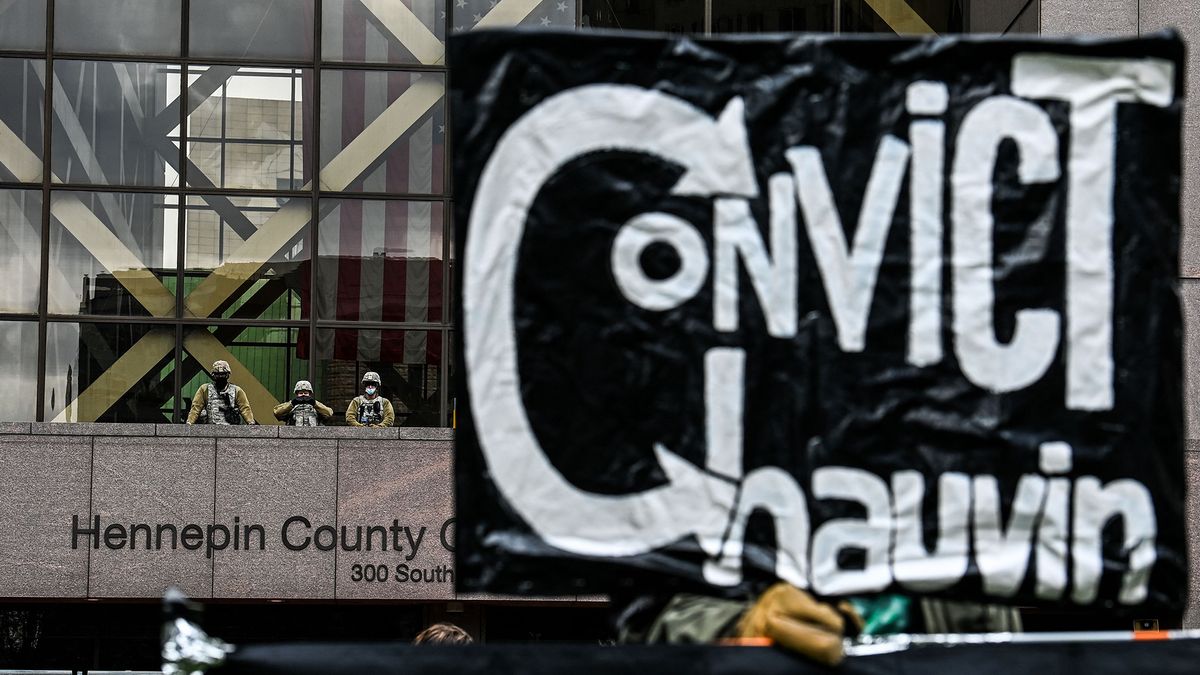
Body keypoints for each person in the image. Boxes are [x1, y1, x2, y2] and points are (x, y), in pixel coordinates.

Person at [186, 360, 255, 425]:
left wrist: (251, 423)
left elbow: (245, 409)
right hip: (211, 429)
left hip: (231, 430)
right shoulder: (205, 389)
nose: (220, 377)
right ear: (213, 375)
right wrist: (189, 423)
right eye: (218, 374)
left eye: (223, 374)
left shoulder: (237, 391)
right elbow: (196, 408)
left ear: (227, 375)